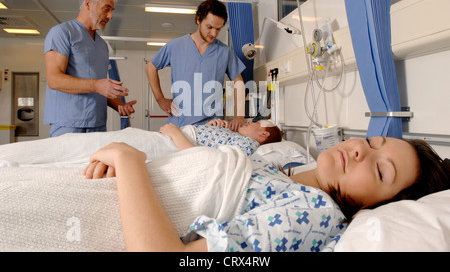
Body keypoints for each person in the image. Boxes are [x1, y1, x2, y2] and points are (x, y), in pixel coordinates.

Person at [86, 136, 450, 251]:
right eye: (372, 141)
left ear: (379, 207)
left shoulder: (316, 215)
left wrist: (129, 160)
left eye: (380, 170)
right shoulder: (284, 176)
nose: (360, 151)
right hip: (103, 185)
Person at [44, 0, 136, 137]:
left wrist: (119, 105)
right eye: (106, 9)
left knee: (97, 162)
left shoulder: (101, 45)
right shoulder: (61, 33)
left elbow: (98, 88)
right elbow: (54, 80)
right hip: (68, 124)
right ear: (88, 4)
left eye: (112, 11)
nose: (110, 16)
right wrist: (97, 85)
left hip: (97, 124)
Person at [146, 0, 246, 132]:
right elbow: (150, 67)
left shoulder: (224, 52)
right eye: (209, 27)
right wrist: (160, 99)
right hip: (180, 124)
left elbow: (238, 82)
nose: (214, 34)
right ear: (198, 19)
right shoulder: (176, 46)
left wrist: (239, 116)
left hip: (213, 127)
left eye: (218, 29)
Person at [83, 118, 283, 179]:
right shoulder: (237, 138)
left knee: (116, 142)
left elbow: (209, 160)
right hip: (175, 138)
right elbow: (215, 148)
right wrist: (213, 128)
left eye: (257, 123)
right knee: (120, 139)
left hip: (174, 143)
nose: (249, 121)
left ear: (264, 135)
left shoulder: (248, 145)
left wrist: (176, 133)